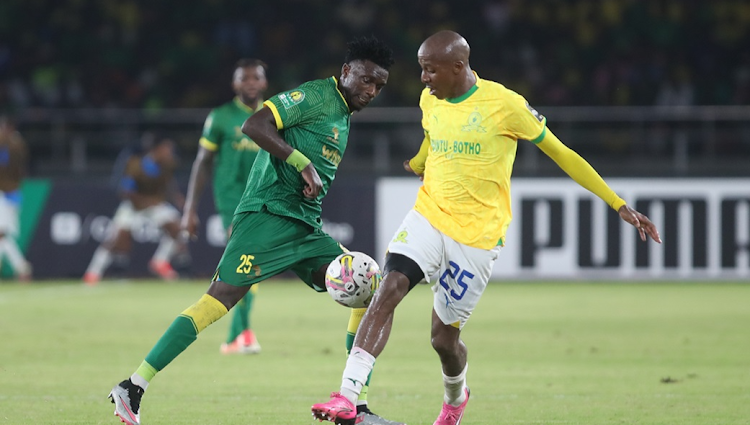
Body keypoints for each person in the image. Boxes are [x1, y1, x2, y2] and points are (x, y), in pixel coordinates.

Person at [312, 30, 663, 425]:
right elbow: (433, 135)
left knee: (443, 341)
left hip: (476, 239)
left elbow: (562, 153)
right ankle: (347, 395)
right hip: (429, 216)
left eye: (430, 70)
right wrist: (419, 161)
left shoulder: (506, 105)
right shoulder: (431, 99)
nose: (423, 79)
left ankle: (455, 397)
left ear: (458, 67)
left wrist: (617, 202)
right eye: (421, 70)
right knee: (389, 286)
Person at [108, 36, 405, 425]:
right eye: (366, 80)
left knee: (368, 287)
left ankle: (356, 406)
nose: (371, 91)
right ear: (346, 71)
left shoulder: (343, 113)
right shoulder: (316, 96)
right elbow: (255, 124)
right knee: (219, 300)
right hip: (266, 215)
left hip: (304, 225)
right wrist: (301, 162)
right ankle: (133, 386)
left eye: (379, 86)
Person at [181, 58, 269, 355]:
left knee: (251, 263)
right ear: (235, 84)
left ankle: (236, 335)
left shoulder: (276, 114)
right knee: (248, 255)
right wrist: (189, 209)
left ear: (264, 82)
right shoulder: (220, 117)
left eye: (255, 78)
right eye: (244, 79)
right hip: (233, 198)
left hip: (266, 195)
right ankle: (243, 333)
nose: (250, 83)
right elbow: (202, 162)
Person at [83, 134, 185, 284]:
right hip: (133, 206)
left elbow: (168, 182)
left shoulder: (167, 164)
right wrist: (148, 202)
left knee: (178, 227)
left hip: (154, 205)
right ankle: (92, 274)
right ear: (157, 149)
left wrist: (177, 197)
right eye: (167, 148)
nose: (170, 151)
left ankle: (160, 262)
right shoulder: (135, 165)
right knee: (116, 240)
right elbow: (126, 193)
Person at [0, 115, 32, 281]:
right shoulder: (17, 143)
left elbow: (7, 164)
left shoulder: (12, 143)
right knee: (3, 234)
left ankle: (22, 267)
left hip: (7, 192)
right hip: (10, 191)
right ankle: (21, 267)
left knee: (2, 234)